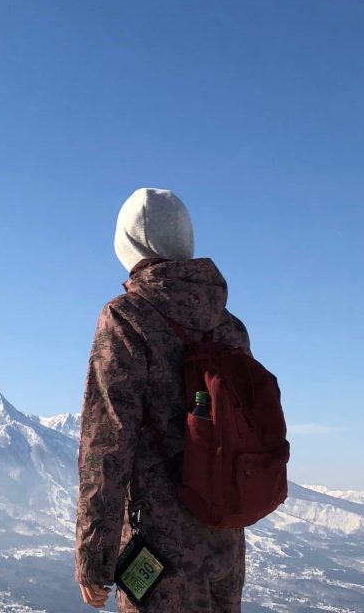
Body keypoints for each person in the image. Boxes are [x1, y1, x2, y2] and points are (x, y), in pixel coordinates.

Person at [75, 187, 250, 612]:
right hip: (226, 539)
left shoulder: (125, 317)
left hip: (160, 547)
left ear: (130, 245)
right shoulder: (229, 326)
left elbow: (107, 442)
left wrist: (93, 556)